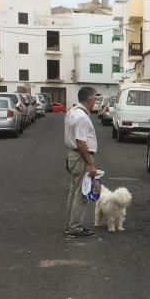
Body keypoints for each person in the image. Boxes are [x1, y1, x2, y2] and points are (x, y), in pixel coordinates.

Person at [64, 86, 99, 237]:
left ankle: (70, 224)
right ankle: (75, 227)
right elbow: (81, 142)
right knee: (82, 193)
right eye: (95, 100)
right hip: (81, 156)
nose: (95, 103)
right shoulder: (82, 117)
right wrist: (90, 163)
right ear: (90, 100)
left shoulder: (72, 112)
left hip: (74, 155)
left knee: (74, 191)